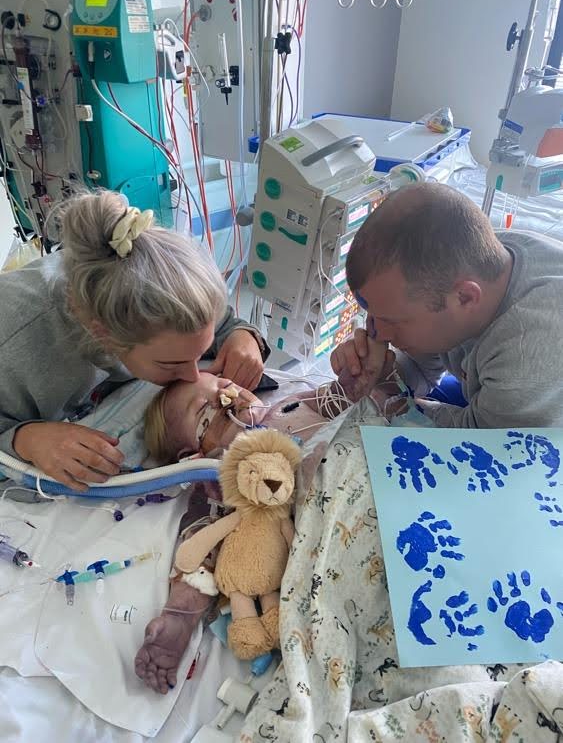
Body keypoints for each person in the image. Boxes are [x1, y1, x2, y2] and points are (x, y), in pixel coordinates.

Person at [135, 338, 388, 694]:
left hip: (378, 465)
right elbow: (200, 550)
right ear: (193, 457)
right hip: (344, 520)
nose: (227, 398)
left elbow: (343, 399)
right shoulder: (223, 481)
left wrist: (359, 375)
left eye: (224, 387)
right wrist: (180, 616)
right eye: (205, 413)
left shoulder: (288, 405)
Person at [0, 190, 267, 491]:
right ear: (103, 334)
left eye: (200, 354)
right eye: (172, 363)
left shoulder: (163, 294)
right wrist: (26, 440)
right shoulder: (14, 346)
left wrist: (243, 336)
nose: (195, 375)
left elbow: (221, 324)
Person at [331, 182, 563, 428]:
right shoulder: (468, 265)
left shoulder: (527, 357)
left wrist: (390, 404)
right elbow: (425, 368)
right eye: (373, 315)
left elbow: (480, 445)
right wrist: (384, 373)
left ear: (464, 298)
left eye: (391, 321)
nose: (376, 333)